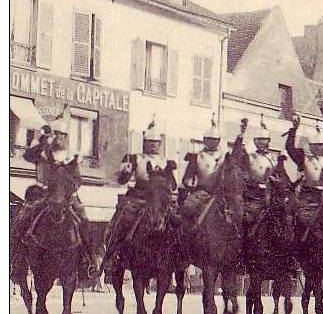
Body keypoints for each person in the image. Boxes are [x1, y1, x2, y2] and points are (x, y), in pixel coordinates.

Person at [12, 107, 99, 278]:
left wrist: (70, 190)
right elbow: (27, 156)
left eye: (62, 134)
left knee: (84, 220)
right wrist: (41, 140)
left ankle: (90, 260)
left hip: (66, 197)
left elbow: (77, 179)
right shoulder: (43, 152)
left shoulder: (71, 157)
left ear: (66, 137)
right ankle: (14, 258)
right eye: (56, 133)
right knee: (22, 218)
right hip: (42, 195)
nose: (59, 137)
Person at [102, 118, 176, 268]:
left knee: (176, 223)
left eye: (156, 142)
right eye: (150, 141)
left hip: (160, 200)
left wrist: (169, 176)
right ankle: (112, 253)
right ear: (144, 142)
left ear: (160, 143)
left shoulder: (165, 161)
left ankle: (178, 259)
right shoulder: (136, 158)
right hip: (139, 197)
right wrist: (126, 171)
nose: (153, 145)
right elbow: (122, 180)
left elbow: (173, 185)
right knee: (123, 219)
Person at [285, 115, 323, 241]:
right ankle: (297, 253)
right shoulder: (304, 158)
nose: (318, 147)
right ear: (310, 146)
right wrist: (294, 130)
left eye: (321, 145)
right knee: (303, 221)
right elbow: (290, 149)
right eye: (315, 145)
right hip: (309, 198)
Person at [180, 115, 229, 223]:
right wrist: (190, 185)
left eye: (215, 139)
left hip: (222, 193)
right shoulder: (197, 156)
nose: (212, 142)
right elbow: (187, 178)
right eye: (210, 139)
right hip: (202, 192)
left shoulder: (224, 157)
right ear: (204, 140)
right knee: (188, 208)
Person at [243, 116, 280, 236]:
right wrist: (253, 183)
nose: (262, 142)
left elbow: (279, 175)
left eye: (264, 139)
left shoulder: (273, 158)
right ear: (255, 141)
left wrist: (276, 180)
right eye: (259, 139)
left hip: (271, 196)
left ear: (268, 141)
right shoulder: (250, 157)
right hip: (254, 196)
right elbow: (245, 175)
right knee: (249, 218)